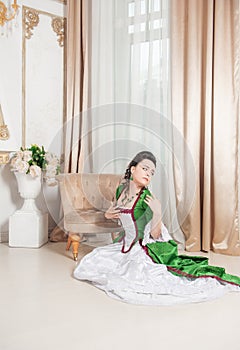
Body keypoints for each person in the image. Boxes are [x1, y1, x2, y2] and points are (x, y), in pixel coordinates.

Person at [73, 151, 240, 305]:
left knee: (136, 276)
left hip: (144, 247)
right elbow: (119, 216)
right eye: (145, 168)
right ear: (133, 169)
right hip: (123, 245)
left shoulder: (147, 198)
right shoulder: (121, 190)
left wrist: (158, 212)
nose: (148, 174)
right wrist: (108, 215)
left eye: (152, 172)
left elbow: (155, 234)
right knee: (94, 260)